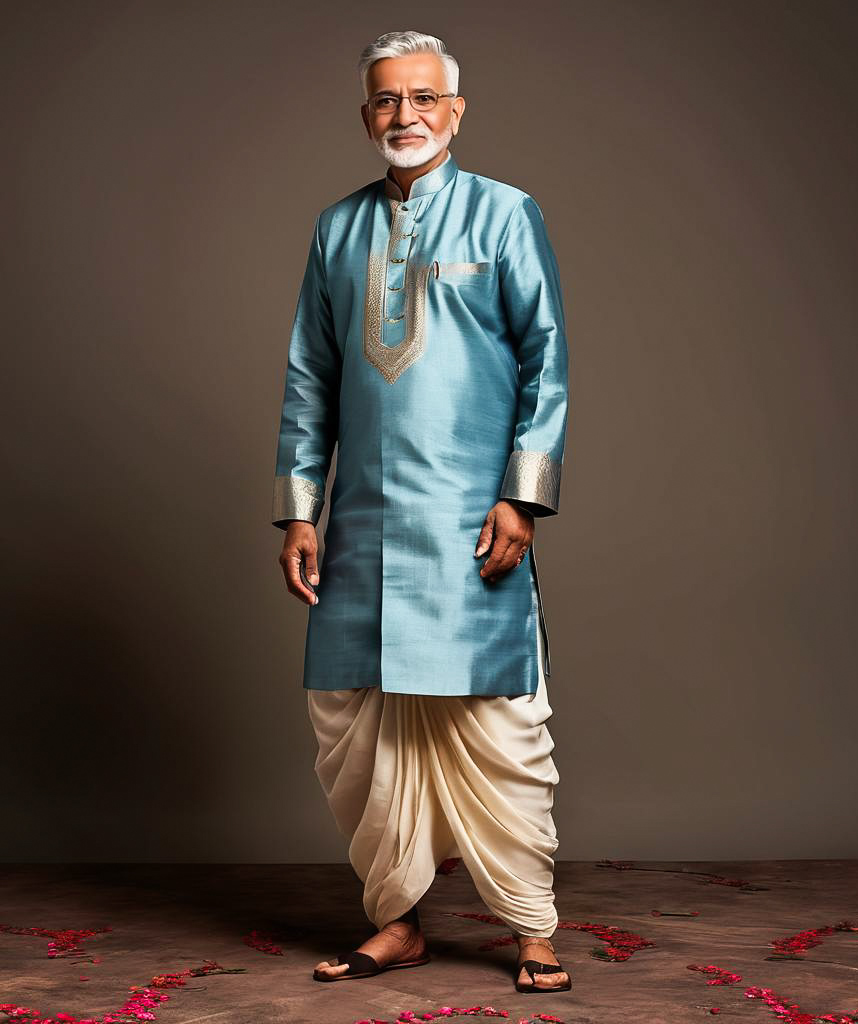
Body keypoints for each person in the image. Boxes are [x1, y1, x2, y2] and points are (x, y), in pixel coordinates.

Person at [271, 29, 571, 993]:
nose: (406, 116)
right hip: (360, 525)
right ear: (367, 116)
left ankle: (530, 928)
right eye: (387, 101)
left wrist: (522, 498)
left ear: (456, 110)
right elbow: (311, 376)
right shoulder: (336, 228)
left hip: (471, 522)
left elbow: (547, 361)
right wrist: (300, 510)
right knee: (356, 725)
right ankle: (393, 921)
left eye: (424, 99)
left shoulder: (505, 215)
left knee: (499, 726)